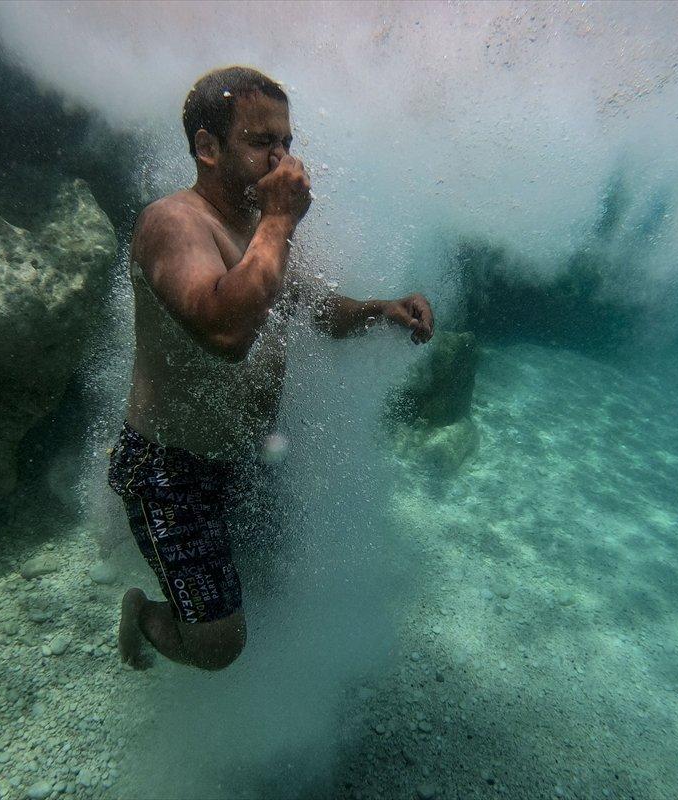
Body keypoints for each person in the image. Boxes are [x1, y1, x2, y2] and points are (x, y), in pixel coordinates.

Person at [109, 66, 434, 671]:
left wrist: (383, 309)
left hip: (249, 455)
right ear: (207, 148)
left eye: (286, 142)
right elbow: (226, 332)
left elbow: (313, 309)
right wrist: (280, 220)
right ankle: (144, 615)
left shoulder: (261, 233)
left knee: (272, 586)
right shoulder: (171, 223)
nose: (283, 159)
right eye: (262, 142)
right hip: (170, 468)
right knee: (217, 644)